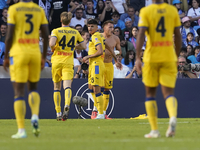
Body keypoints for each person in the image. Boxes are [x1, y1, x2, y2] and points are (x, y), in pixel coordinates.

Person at [135, 0, 182, 138]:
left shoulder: (146, 11)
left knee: (150, 93)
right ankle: (172, 116)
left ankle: (155, 130)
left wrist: (138, 57)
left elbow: (141, 34)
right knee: (169, 93)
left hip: (151, 57)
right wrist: (176, 55)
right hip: (168, 55)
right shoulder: (172, 10)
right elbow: (178, 36)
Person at [3, 0, 49, 139]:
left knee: (19, 92)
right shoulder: (39, 10)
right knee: (33, 88)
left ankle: (21, 130)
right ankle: (35, 115)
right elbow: (46, 35)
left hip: (19, 53)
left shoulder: (14, 9)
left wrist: (6, 56)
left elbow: (10, 36)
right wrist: (43, 56)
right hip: (35, 53)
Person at [49, 12, 86, 121]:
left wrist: (54, 47)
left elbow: (51, 44)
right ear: (70, 21)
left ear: (61, 20)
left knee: (56, 88)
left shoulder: (55, 31)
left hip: (57, 60)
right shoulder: (75, 32)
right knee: (67, 86)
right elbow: (83, 46)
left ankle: (58, 112)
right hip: (68, 61)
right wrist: (74, 46)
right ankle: (67, 105)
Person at [90, 20, 122, 119]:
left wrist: (117, 56)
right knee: (95, 87)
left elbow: (119, 50)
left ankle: (103, 112)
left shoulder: (116, 38)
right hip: (99, 63)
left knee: (107, 89)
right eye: (110, 27)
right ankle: (95, 110)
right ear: (104, 28)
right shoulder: (99, 36)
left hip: (109, 65)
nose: (112, 29)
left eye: (113, 27)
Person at [82, 19, 106, 119]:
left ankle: (100, 113)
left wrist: (88, 57)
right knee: (90, 87)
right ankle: (96, 109)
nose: (90, 28)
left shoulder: (96, 36)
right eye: (89, 26)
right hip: (94, 64)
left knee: (96, 89)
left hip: (96, 64)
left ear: (97, 27)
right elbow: (106, 46)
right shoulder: (99, 35)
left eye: (92, 26)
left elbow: (100, 51)